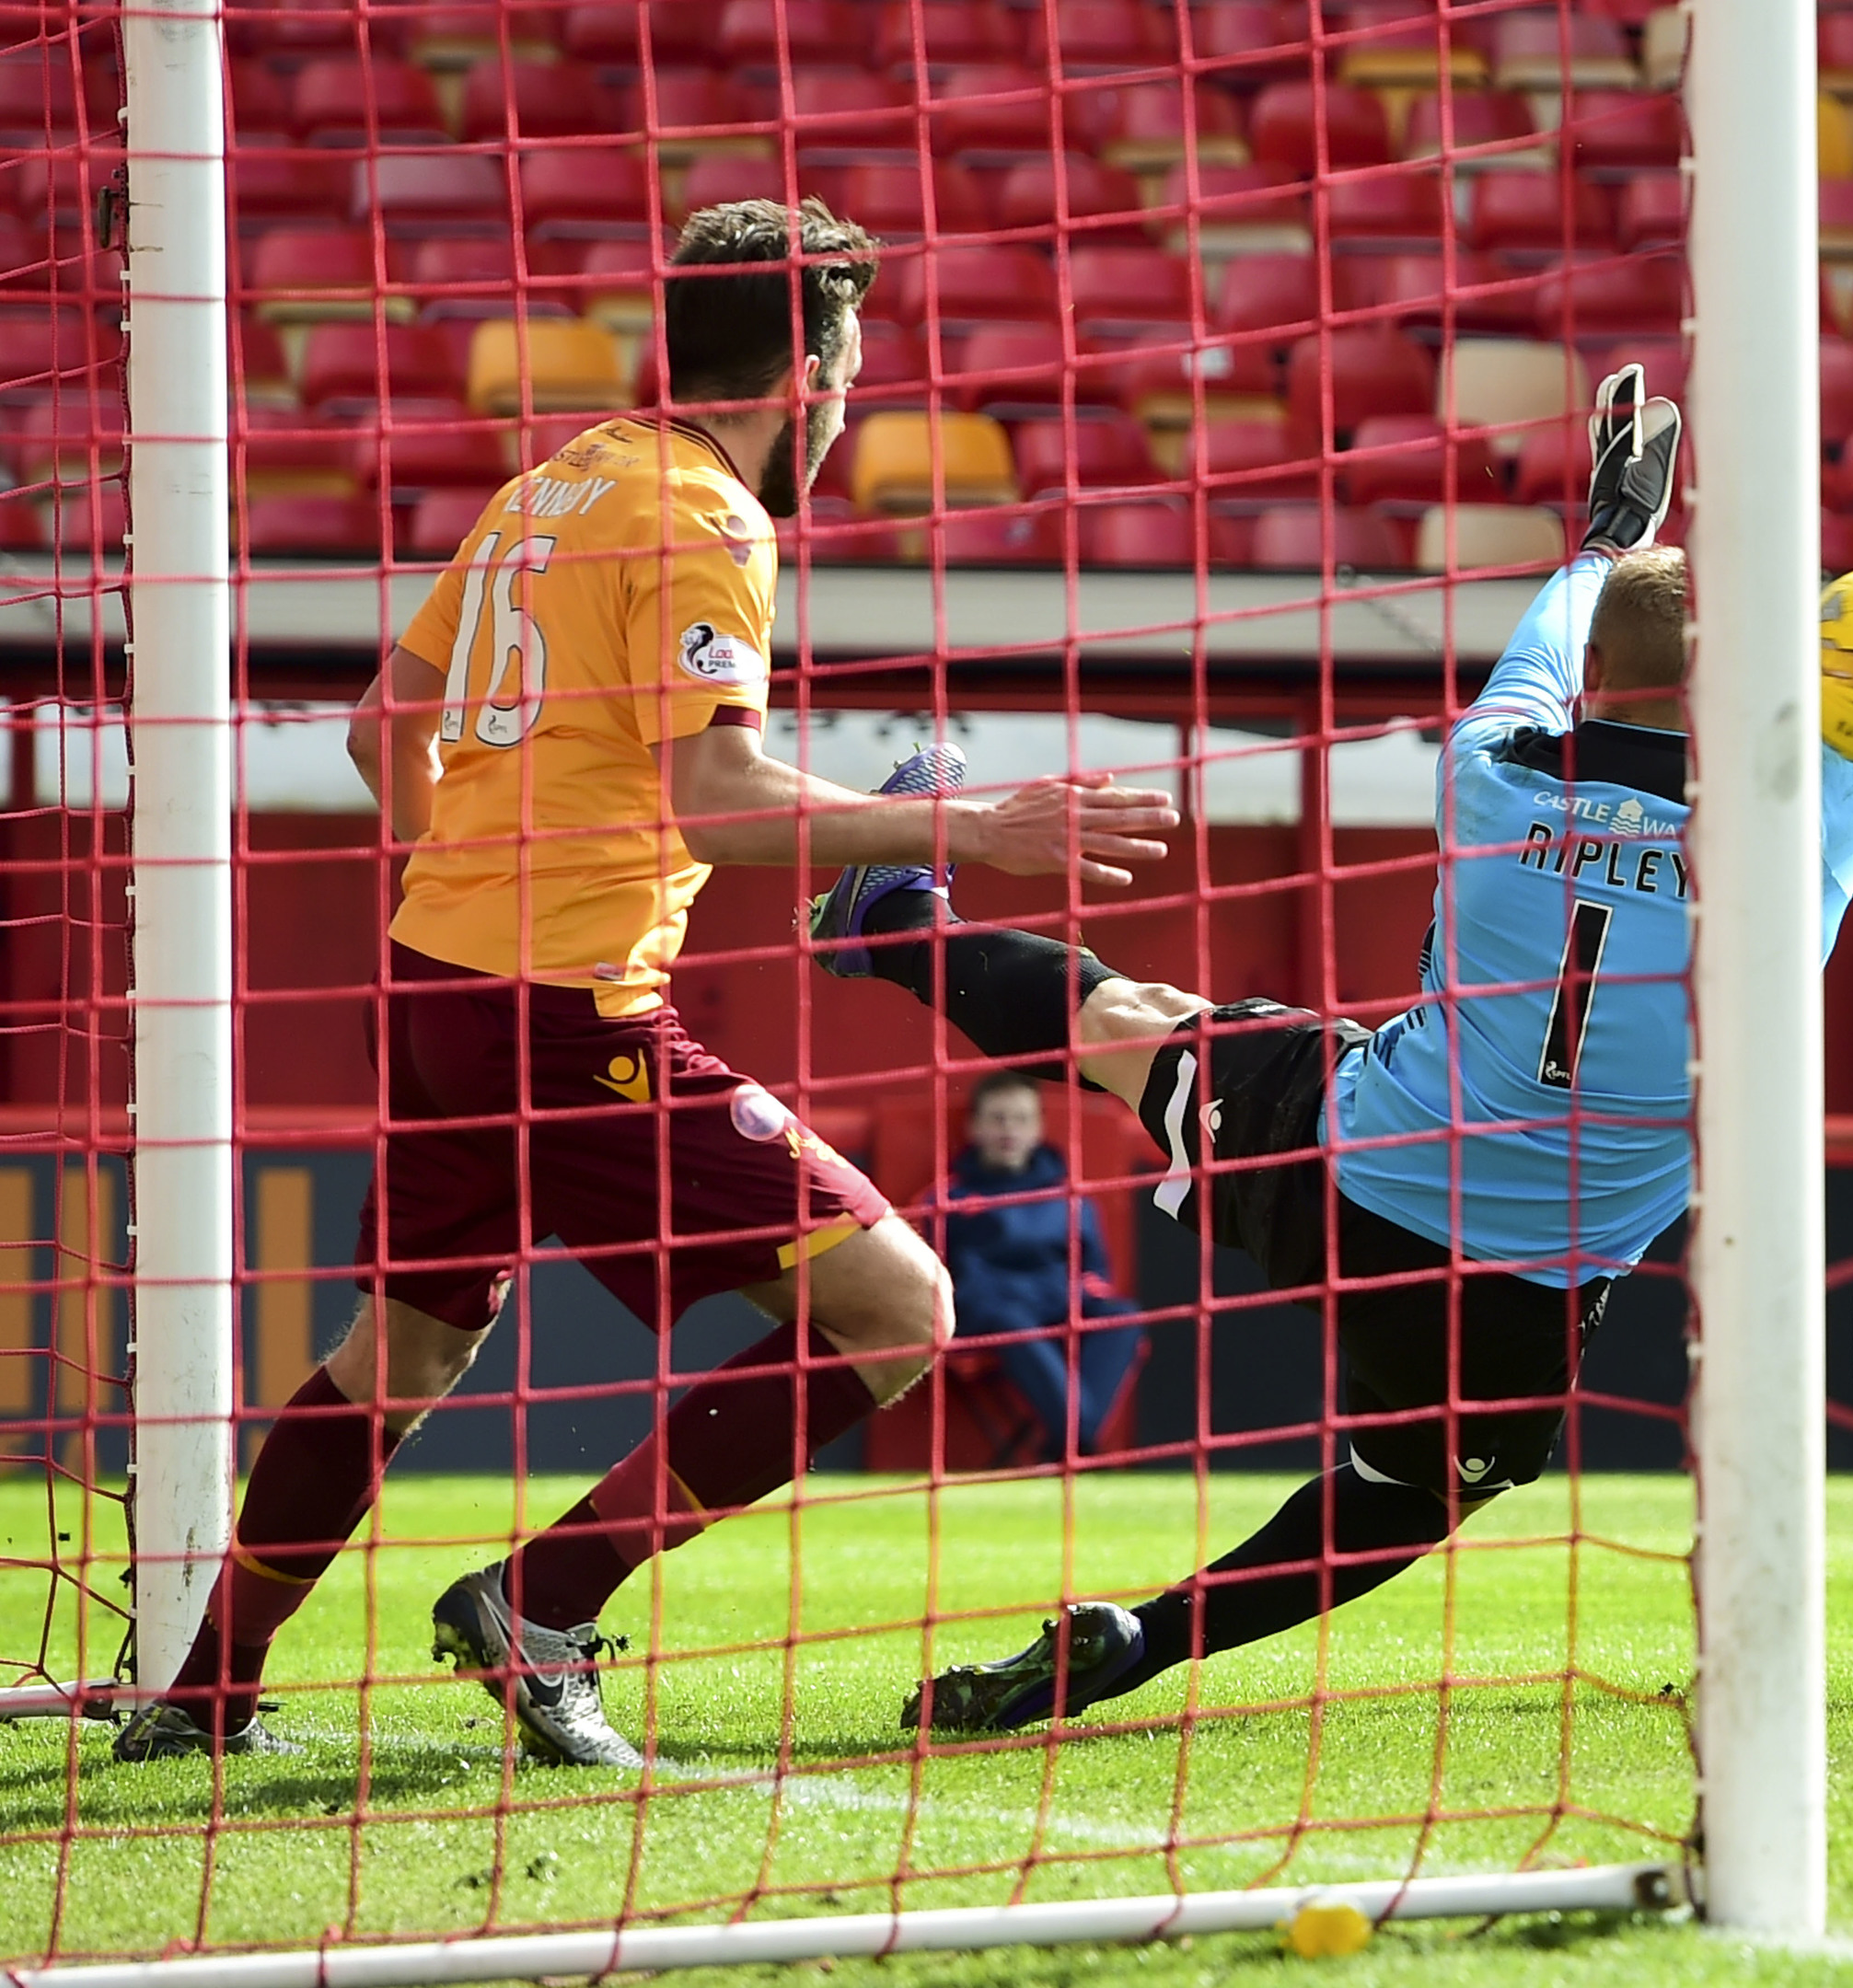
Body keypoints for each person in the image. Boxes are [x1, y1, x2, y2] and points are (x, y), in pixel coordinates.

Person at [807, 233, 1853, 1739]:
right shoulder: (1802, 824)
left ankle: (895, 925)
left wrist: (1606, 532)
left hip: (1356, 1166)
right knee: (1399, 1501)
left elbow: (1551, 650)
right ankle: (1143, 1639)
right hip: (1533, 1283)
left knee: (1131, 1029)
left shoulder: (1486, 774)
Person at [114, 200, 1173, 1766]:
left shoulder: (547, 489)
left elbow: (374, 732)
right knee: (901, 1308)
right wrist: (984, 824)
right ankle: (537, 1611)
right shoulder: (703, 518)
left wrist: (485, 853)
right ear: (808, 369)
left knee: (394, 1359)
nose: (853, 400)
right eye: (856, 363)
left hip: (435, 977)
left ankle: (203, 1697)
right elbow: (719, 799)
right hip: (575, 1009)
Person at [937, 1072, 1143, 1464]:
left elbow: (1097, 1272)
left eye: (1020, 1119)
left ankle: (1072, 1436)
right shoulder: (946, 1198)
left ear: (1038, 1128)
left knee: (1123, 1318)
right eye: (997, 1119)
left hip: (1061, 1302)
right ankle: (1078, 1437)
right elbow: (937, 1277)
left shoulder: (1071, 1197)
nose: (1008, 1130)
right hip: (991, 1313)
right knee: (1011, 1321)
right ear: (975, 1126)